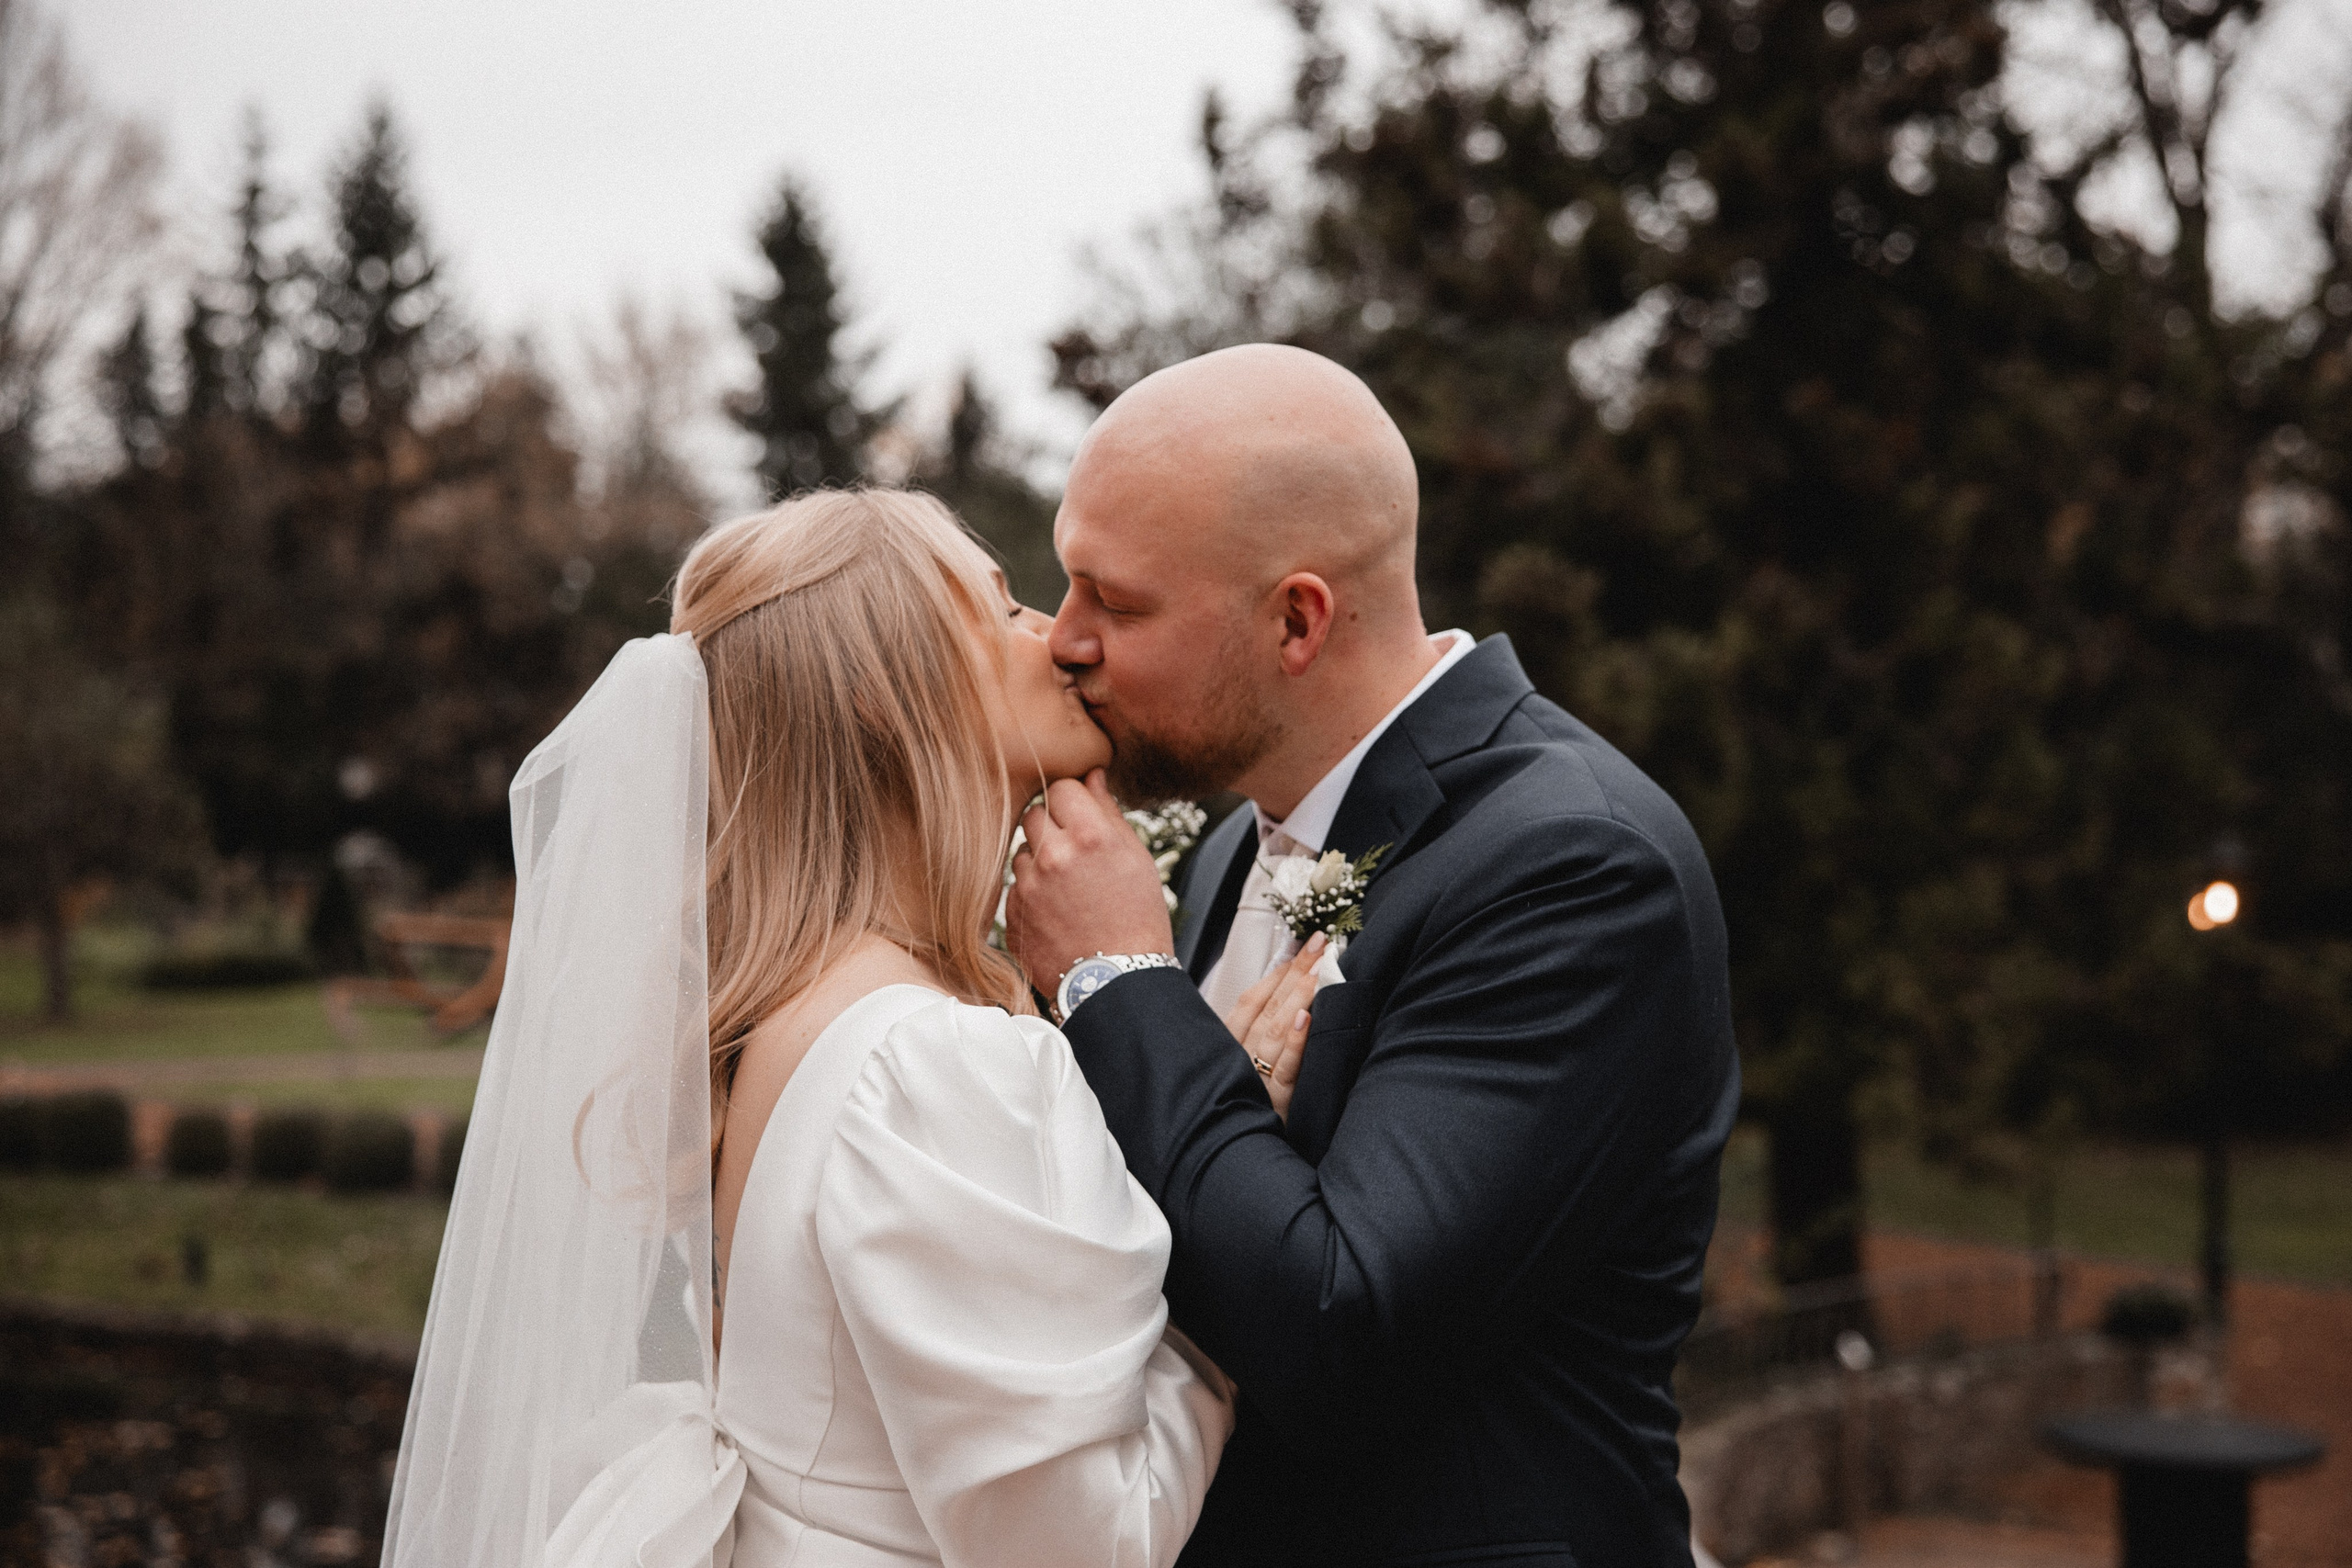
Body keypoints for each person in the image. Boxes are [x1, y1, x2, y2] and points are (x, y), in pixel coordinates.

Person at [385, 490, 1247, 1568]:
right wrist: (1229, 1248)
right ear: (884, 696)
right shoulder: (929, 1060)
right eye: (1002, 611)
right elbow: (1089, 1540)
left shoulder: (781, 1018)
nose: (1058, 639)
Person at [1007, 344, 1742, 1568]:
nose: (1063, 639)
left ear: (1296, 620)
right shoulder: (1225, 847)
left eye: (1117, 604)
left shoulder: (1570, 864)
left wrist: (1117, 982)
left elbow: (1341, 1325)